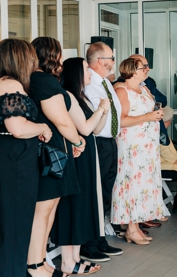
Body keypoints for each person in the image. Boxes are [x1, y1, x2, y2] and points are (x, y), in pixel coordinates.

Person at [27, 37, 87, 277]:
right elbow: (61, 120)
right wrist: (78, 141)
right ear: (53, 55)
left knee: (49, 208)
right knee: (42, 210)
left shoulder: (39, 80)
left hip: (53, 151)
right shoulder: (42, 81)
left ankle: (41, 261)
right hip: (50, 154)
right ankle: (34, 265)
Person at [0, 38, 52, 277]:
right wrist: (41, 127)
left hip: (8, 158)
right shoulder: (11, 85)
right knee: (16, 227)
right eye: (30, 56)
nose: (33, 61)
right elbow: (18, 128)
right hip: (15, 162)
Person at [55, 56, 111, 274]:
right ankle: (69, 260)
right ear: (75, 73)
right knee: (74, 205)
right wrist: (100, 110)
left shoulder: (83, 97)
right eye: (87, 69)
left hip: (87, 155)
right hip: (76, 157)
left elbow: (97, 130)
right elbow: (86, 129)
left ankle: (76, 257)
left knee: (84, 204)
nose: (90, 72)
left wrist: (103, 111)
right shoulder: (68, 96)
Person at [112, 56, 167, 245]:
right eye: (144, 67)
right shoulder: (121, 90)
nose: (148, 69)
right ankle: (131, 229)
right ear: (133, 70)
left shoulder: (143, 88)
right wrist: (148, 116)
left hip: (147, 147)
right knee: (132, 185)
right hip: (132, 146)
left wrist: (155, 116)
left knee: (143, 185)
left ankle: (136, 225)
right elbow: (121, 120)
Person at [81, 42, 124, 261]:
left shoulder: (106, 83)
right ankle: (89, 243)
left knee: (106, 192)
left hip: (109, 143)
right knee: (95, 194)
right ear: (100, 61)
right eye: (111, 58)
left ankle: (99, 239)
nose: (113, 62)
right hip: (96, 142)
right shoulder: (87, 84)